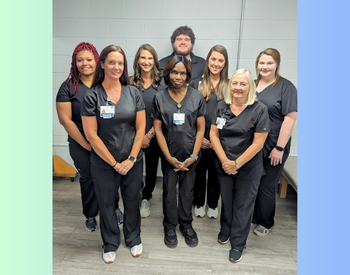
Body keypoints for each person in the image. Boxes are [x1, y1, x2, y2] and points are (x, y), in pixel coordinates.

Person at [81, 45, 146, 264]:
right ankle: (110, 242)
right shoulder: (92, 96)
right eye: (111, 62)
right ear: (102, 64)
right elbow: (91, 135)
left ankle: (133, 237)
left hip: (132, 161)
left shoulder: (133, 93)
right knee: (107, 203)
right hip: (103, 163)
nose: (116, 67)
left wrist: (130, 159)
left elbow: (140, 129)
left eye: (120, 63)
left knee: (132, 200)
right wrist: (114, 162)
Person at [209, 68, 270, 263]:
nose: (238, 87)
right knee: (226, 201)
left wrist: (236, 163)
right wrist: (226, 162)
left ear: (250, 86)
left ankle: (238, 243)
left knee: (243, 206)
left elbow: (258, 143)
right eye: (235, 83)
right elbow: (213, 135)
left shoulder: (259, 109)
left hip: (248, 168)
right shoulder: (221, 106)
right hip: (224, 164)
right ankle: (226, 229)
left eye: (243, 84)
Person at [151, 55, 207, 247]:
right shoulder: (160, 97)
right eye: (174, 72)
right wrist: (168, 156)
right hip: (169, 155)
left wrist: (194, 155)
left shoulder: (197, 97)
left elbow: (201, 129)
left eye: (183, 73)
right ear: (167, 73)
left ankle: (186, 224)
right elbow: (157, 129)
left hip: (190, 156)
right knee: (169, 191)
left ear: (188, 75)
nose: (178, 76)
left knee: (186, 191)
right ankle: (169, 225)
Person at [252, 48, 298, 237]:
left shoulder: (285, 87)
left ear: (277, 64)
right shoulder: (253, 84)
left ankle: (266, 221)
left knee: (267, 185)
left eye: (269, 63)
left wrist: (279, 148)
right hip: (255, 144)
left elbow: (290, 118)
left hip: (274, 145)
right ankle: (255, 215)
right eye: (261, 62)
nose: (265, 66)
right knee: (253, 182)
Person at [56, 42, 100, 232]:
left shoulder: (106, 84)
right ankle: (90, 214)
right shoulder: (67, 87)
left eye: (89, 59)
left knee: (109, 176)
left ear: (96, 61)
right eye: (80, 60)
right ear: (75, 63)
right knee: (88, 177)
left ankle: (113, 208)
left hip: (106, 141)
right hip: (80, 142)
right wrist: (87, 144)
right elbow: (66, 121)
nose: (85, 63)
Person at [190, 45, 229, 219]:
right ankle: (199, 203)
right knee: (198, 173)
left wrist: (216, 139)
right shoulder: (196, 83)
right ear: (208, 60)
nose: (216, 63)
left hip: (220, 140)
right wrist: (201, 138)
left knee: (216, 173)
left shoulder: (229, 85)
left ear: (225, 63)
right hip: (199, 138)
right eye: (213, 59)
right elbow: (190, 112)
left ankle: (213, 205)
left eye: (220, 60)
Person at [130, 44, 165, 218]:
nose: (146, 61)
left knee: (151, 169)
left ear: (155, 61)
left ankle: (146, 197)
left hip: (154, 135)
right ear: (137, 60)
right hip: (133, 135)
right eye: (143, 58)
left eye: (150, 58)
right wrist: (139, 135)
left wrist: (149, 135)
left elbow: (164, 112)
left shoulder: (162, 84)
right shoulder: (129, 83)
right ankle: (132, 196)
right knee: (134, 169)